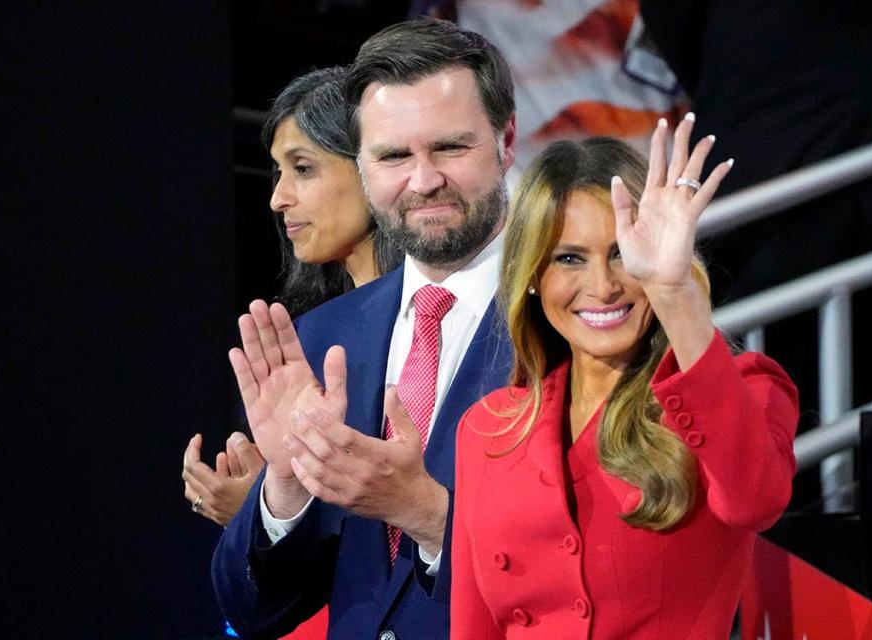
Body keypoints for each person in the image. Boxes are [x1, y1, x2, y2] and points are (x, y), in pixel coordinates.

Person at [212, 18, 517, 640]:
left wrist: (428, 515)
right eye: (394, 156)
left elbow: (612, 567)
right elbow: (254, 611)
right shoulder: (324, 338)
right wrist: (285, 488)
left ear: (506, 140)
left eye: (451, 148)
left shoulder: (573, 319)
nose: (424, 180)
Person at [451, 121, 799, 638]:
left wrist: (672, 289)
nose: (604, 286)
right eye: (569, 258)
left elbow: (756, 501)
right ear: (530, 278)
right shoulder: (487, 429)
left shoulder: (745, 390)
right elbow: (473, 626)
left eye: (622, 253)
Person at [182, 66, 402, 528]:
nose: (277, 198)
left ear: (374, 165)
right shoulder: (307, 334)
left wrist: (260, 511)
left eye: (303, 169)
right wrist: (263, 508)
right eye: (278, 172)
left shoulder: (432, 319)